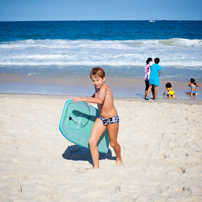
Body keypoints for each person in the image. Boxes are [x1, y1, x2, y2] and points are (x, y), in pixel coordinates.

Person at [72, 67, 122, 169]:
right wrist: (91, 99)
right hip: (102, 118)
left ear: (103, 79)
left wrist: (83, 99)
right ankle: (96, 166)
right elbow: (96, 95)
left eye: (98, 80)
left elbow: (100, 100)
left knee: (113, 144)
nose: (95, 83)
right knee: (92, 141)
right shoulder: (97, 87)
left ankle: (119, 157)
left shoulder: (104, 87)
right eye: (93, 81)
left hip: (112, 119)